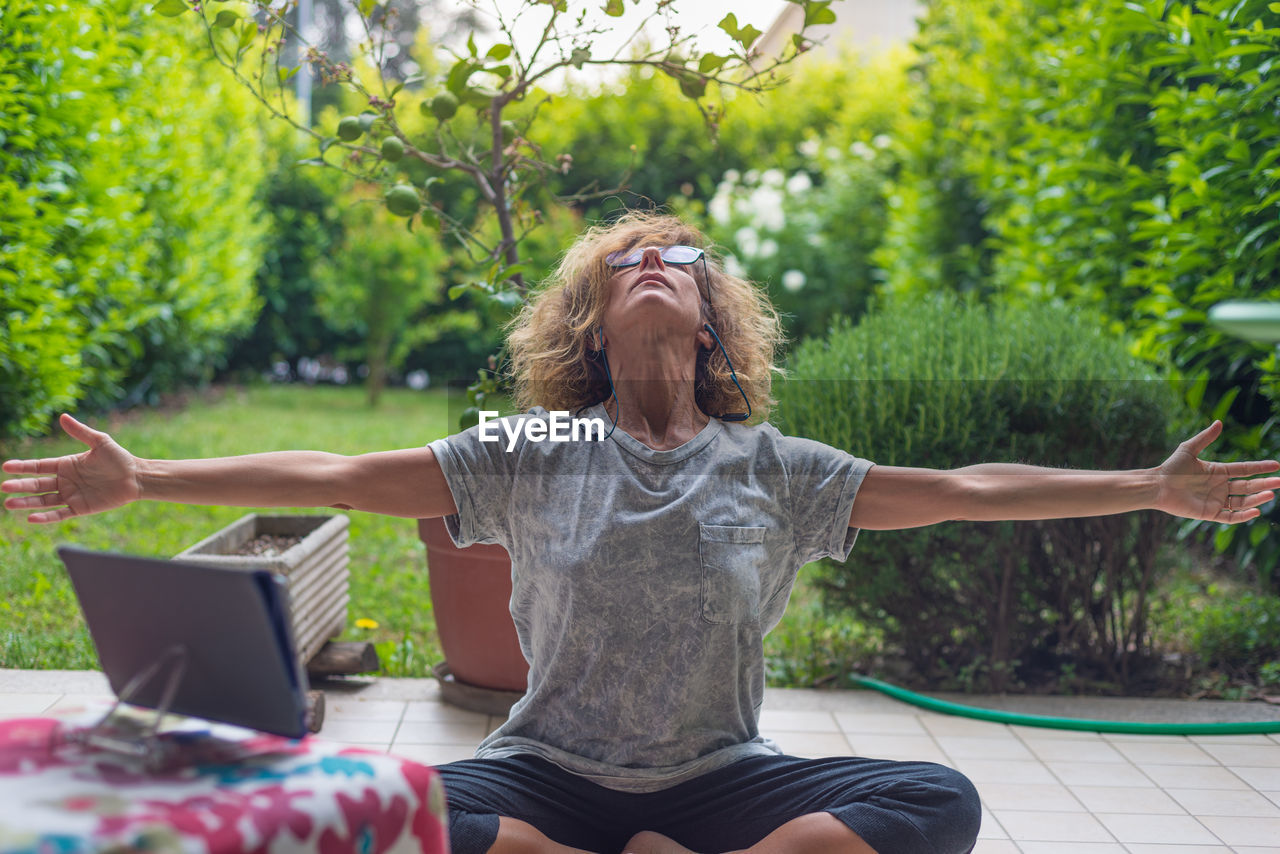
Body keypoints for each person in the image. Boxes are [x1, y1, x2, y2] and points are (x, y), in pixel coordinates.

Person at [4, 212, 1278, 854]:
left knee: (936, 799)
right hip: (544, 768)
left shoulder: (776, 467)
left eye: (683, 254)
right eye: (632, 259)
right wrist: (145, 475)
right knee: (384, 813)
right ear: (595, 322)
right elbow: (339, 465)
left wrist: (1147, 489)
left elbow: (963, 489)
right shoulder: (534, 449)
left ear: (711, 321)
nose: (660, 260)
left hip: (722, 776)